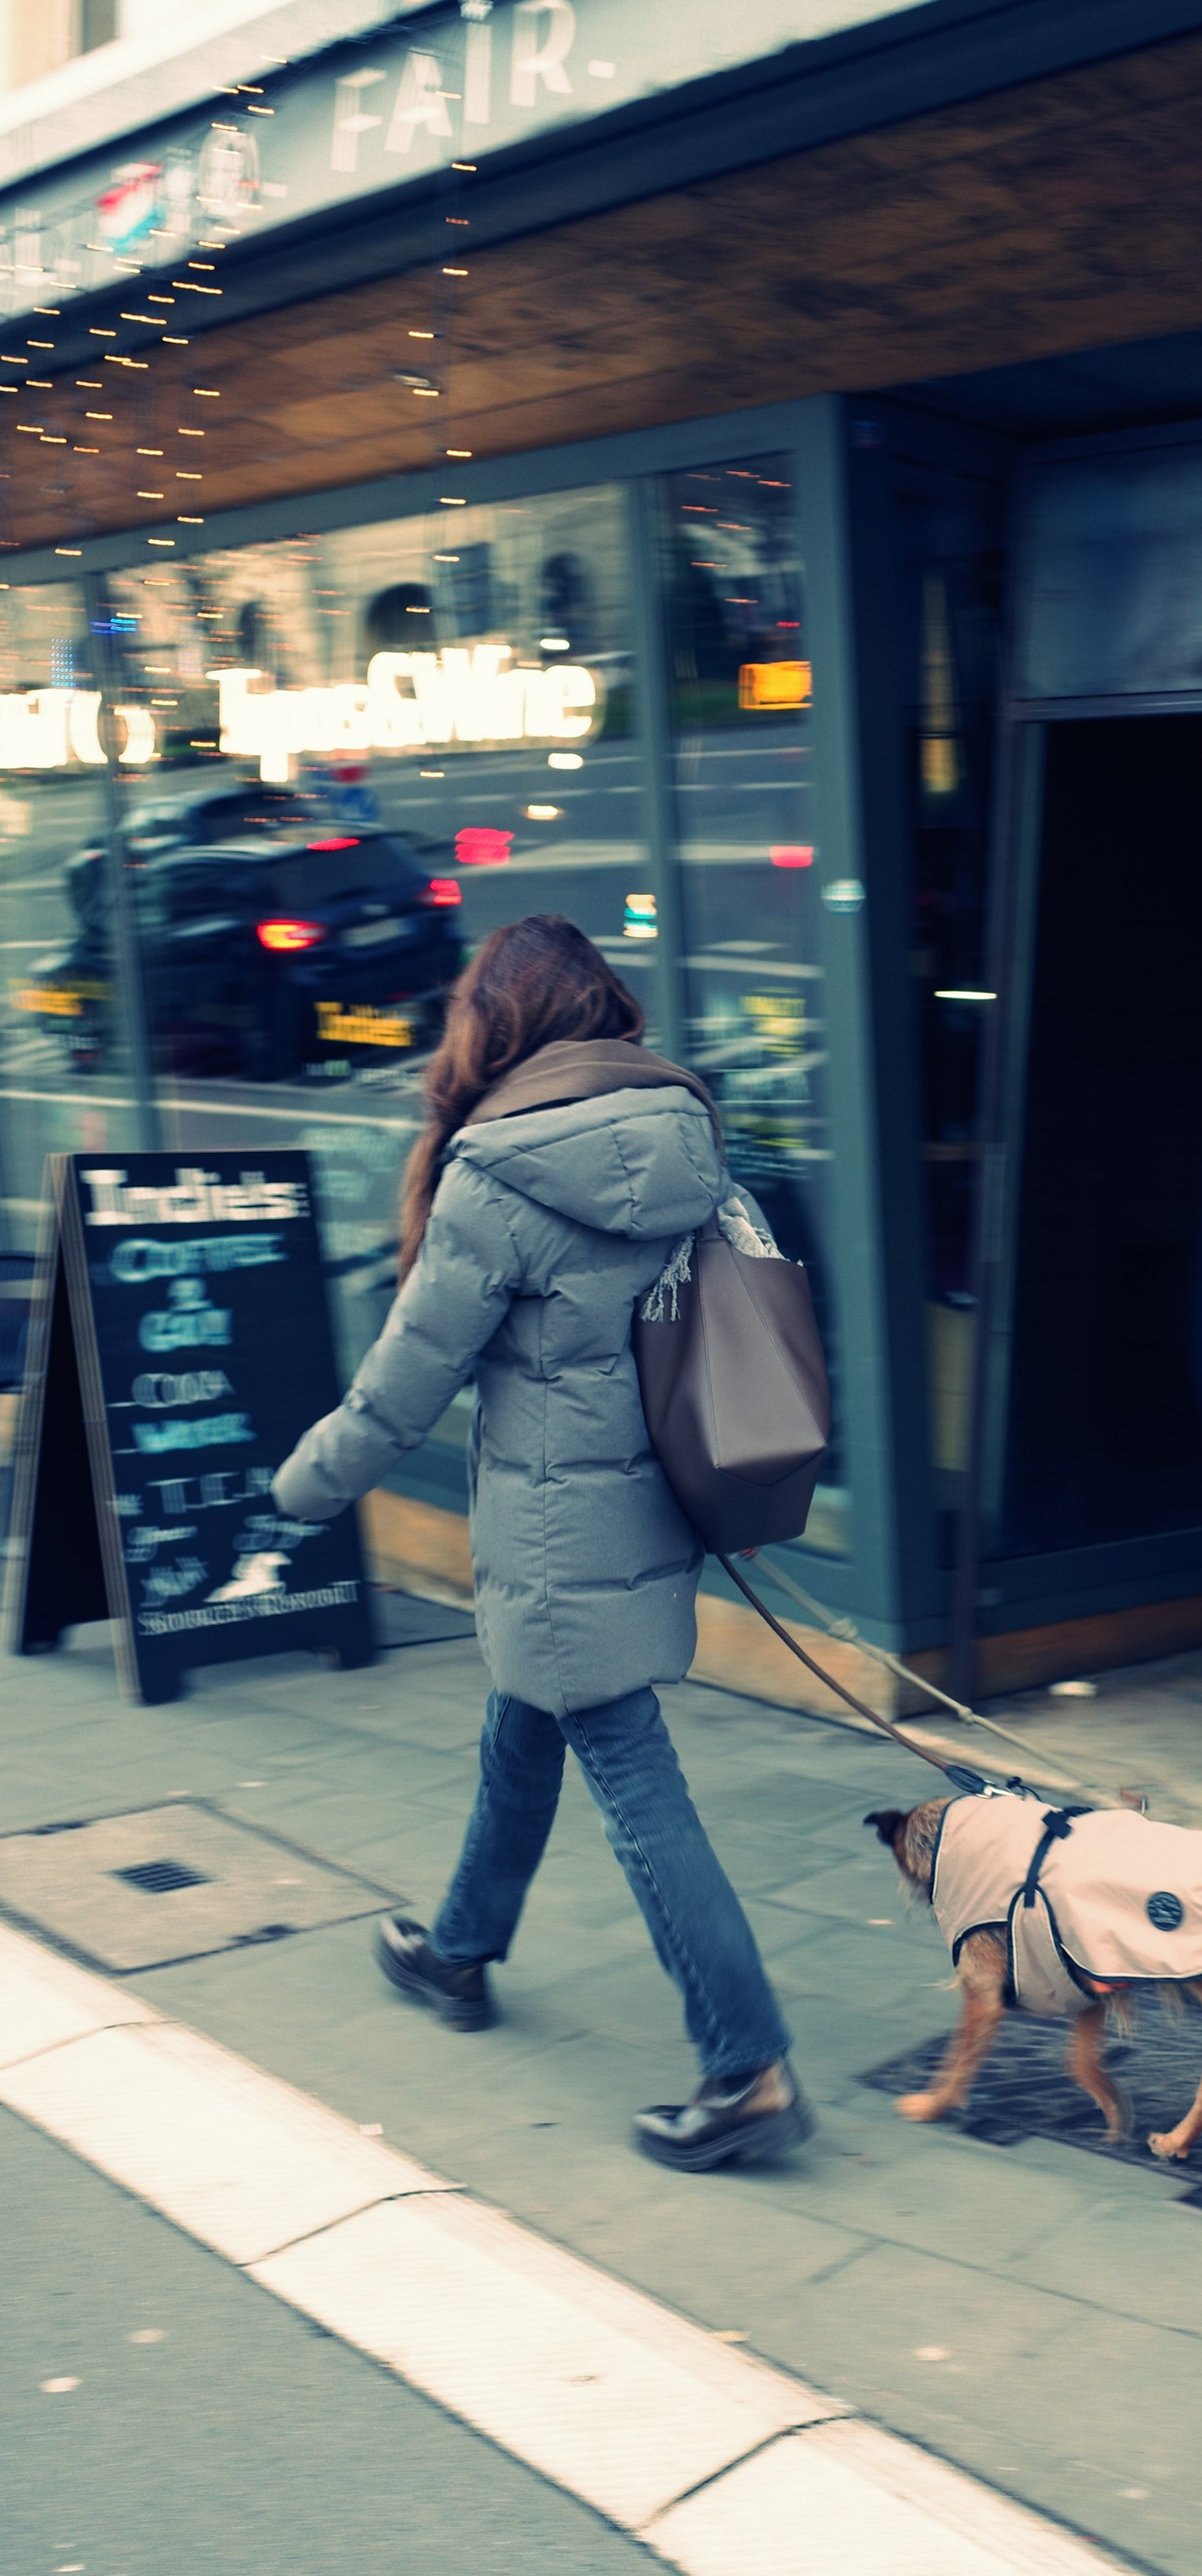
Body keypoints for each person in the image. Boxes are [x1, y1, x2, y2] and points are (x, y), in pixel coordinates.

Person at [272, 913, 809, 2173]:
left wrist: (302, 1487)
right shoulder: (686, 1133)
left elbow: (407, 1382)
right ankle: (459, 1948)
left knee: (635, 1789)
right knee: (523, 1732)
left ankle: (749, 2068)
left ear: (497, 1025)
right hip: (649, 1508)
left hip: (560, 1532)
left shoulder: (495, 1174)